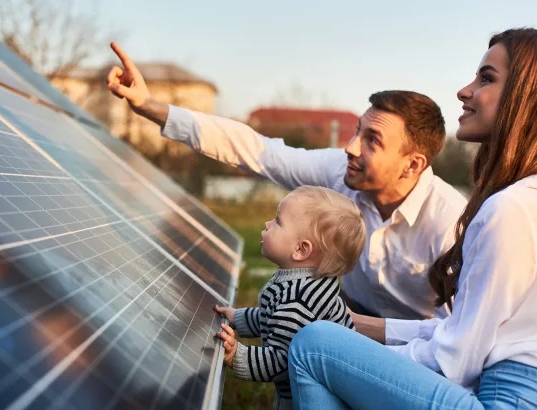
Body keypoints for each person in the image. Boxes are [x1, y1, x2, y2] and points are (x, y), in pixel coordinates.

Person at [287, 28, 537, 409]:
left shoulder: (514, 208)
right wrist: (357, 327)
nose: (464, 90)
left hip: (508, 399)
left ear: (530, 98)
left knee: (314, 346)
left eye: (486, 78)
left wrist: (353, 360)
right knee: (330, 338)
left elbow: (455, 360)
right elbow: (467, 330)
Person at [105, 44, 467, 320]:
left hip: (419, 349)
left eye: (372, 140)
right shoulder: (341, 172)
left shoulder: (451, 223)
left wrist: (352, 329)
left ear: (412, 164)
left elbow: (459, 336)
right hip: (351, 317)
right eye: (358, 131)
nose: (351, 147)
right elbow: (256, 150)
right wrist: (150, 107)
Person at [213, 185, 365, 410]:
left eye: (277, 221)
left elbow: (283, 360)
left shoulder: (297, 302)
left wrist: (237, 355)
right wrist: (238, 318)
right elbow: (273, 318)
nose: (267, 224)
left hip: (307, 397)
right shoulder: (308, 281)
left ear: (301, 250)